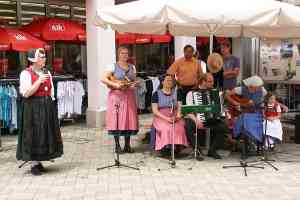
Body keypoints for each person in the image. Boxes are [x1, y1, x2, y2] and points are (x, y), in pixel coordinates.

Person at [16, 48, 63, 176]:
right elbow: (26, 93)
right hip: (32, 107)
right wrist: (38, 81)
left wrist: (51, 103)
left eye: (44, 57)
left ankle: (40, 160)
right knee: (34, 133)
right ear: (34, 60)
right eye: (41, 57)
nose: (44, 59)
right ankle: (33, 163)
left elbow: (51, 90)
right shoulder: (25, 73)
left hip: (46, 106)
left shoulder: (47, 72)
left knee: (44, 133)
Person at [101, 46, 138, 153]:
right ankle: (117, 145)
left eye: (126, 53)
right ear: (118, 54)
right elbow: (103, 78)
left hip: (129, 96)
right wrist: (115, 84)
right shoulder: (112, 66)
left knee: (129, 119)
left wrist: (134, 84)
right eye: (122, 53)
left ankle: (127, 145)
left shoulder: (132, 67)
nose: (125, 55)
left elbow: (134, 80)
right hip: (116, 96)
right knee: (117, 119)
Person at [183, 73, 227, 159]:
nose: (212, 84)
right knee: (188, 125)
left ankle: (212, 150)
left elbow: (218, 109)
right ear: (203, 82)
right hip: (196, 119)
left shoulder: (214, 93)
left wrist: (223, 110)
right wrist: (196, 120)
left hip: (210, 120)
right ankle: (197, 150)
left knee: (223, 126)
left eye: (212, 81)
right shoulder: (191, 93)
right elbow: (188, 111)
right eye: (210, 82)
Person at [151, 74, 188, 154]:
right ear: (162, 82)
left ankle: (177, 147)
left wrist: (178, 116)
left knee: (179, 127)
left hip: (174, 115)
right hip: (161, 116)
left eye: (171, 80)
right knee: (166, 128)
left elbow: (179, 106)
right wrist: (166, 119)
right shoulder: (156, 94)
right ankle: (164, 147)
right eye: (167, 80)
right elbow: (155, 110)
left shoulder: (177, 93)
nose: (169, 82)